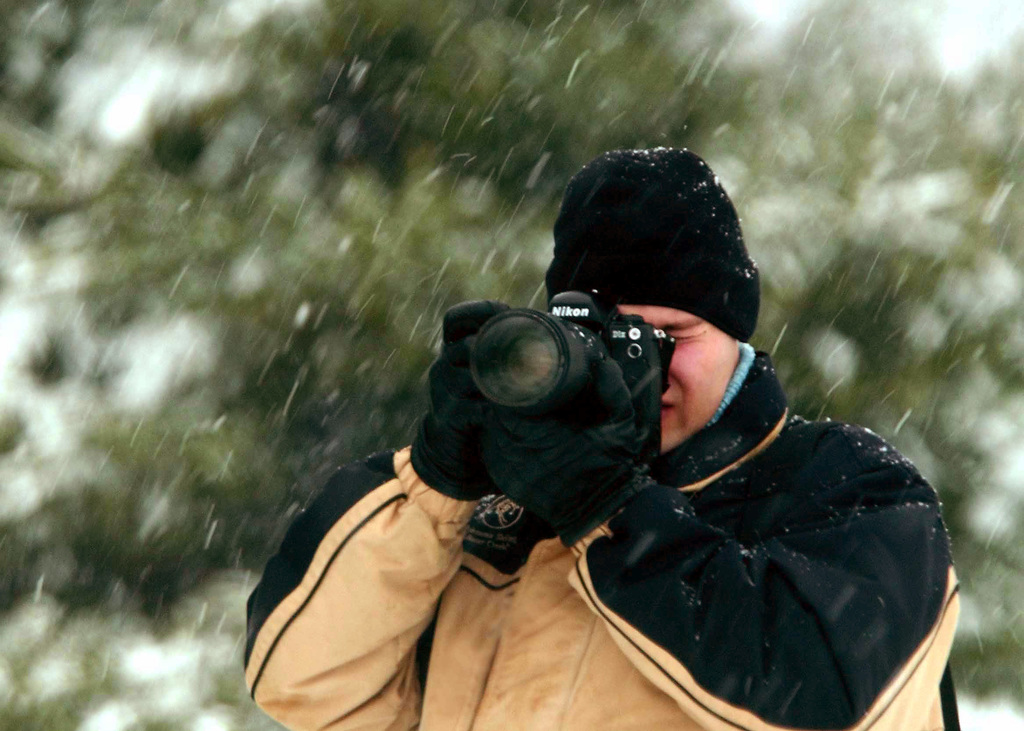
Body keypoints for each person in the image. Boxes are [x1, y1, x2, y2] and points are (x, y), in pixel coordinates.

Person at [244, 148, 959, 731]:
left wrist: (614, 512)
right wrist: (437, 482)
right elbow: (304, 685)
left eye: (668, 336)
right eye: (610, 339)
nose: (643, 367)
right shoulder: (497, 507)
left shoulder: (845, 486)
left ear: (735, 338)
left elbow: (830, 702)